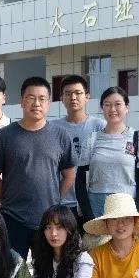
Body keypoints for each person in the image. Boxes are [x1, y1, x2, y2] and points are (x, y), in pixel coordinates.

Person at [0, 77, 75, 261]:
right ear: (21, 101)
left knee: (47, 270)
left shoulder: (61, 135)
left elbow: (69, 175)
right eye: (31, 98)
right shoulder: (4, 136)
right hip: (12, 217)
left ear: (49, 103)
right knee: (12, 269)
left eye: (42, 99)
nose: (36, 103)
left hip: (48, 220)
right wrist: (6, 199)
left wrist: (55, 199)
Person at [76, 86, 139, 221]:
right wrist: (88, 216)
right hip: (96, 208)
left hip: (127, 208)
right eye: (107, 105)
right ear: (102, 108)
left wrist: (134, 212)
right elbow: (80, 181)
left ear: (127, 107)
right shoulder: (92, 139)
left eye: (118, 104)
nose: (112, 109)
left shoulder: (138, 137)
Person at [48, 75, 105, 218]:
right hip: (62, 203)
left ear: (87, 97)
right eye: (68, 94)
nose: (73, 97)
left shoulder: (99, 126)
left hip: (91, 201)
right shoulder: (52, 128)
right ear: (61, 98)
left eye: (78, 93)